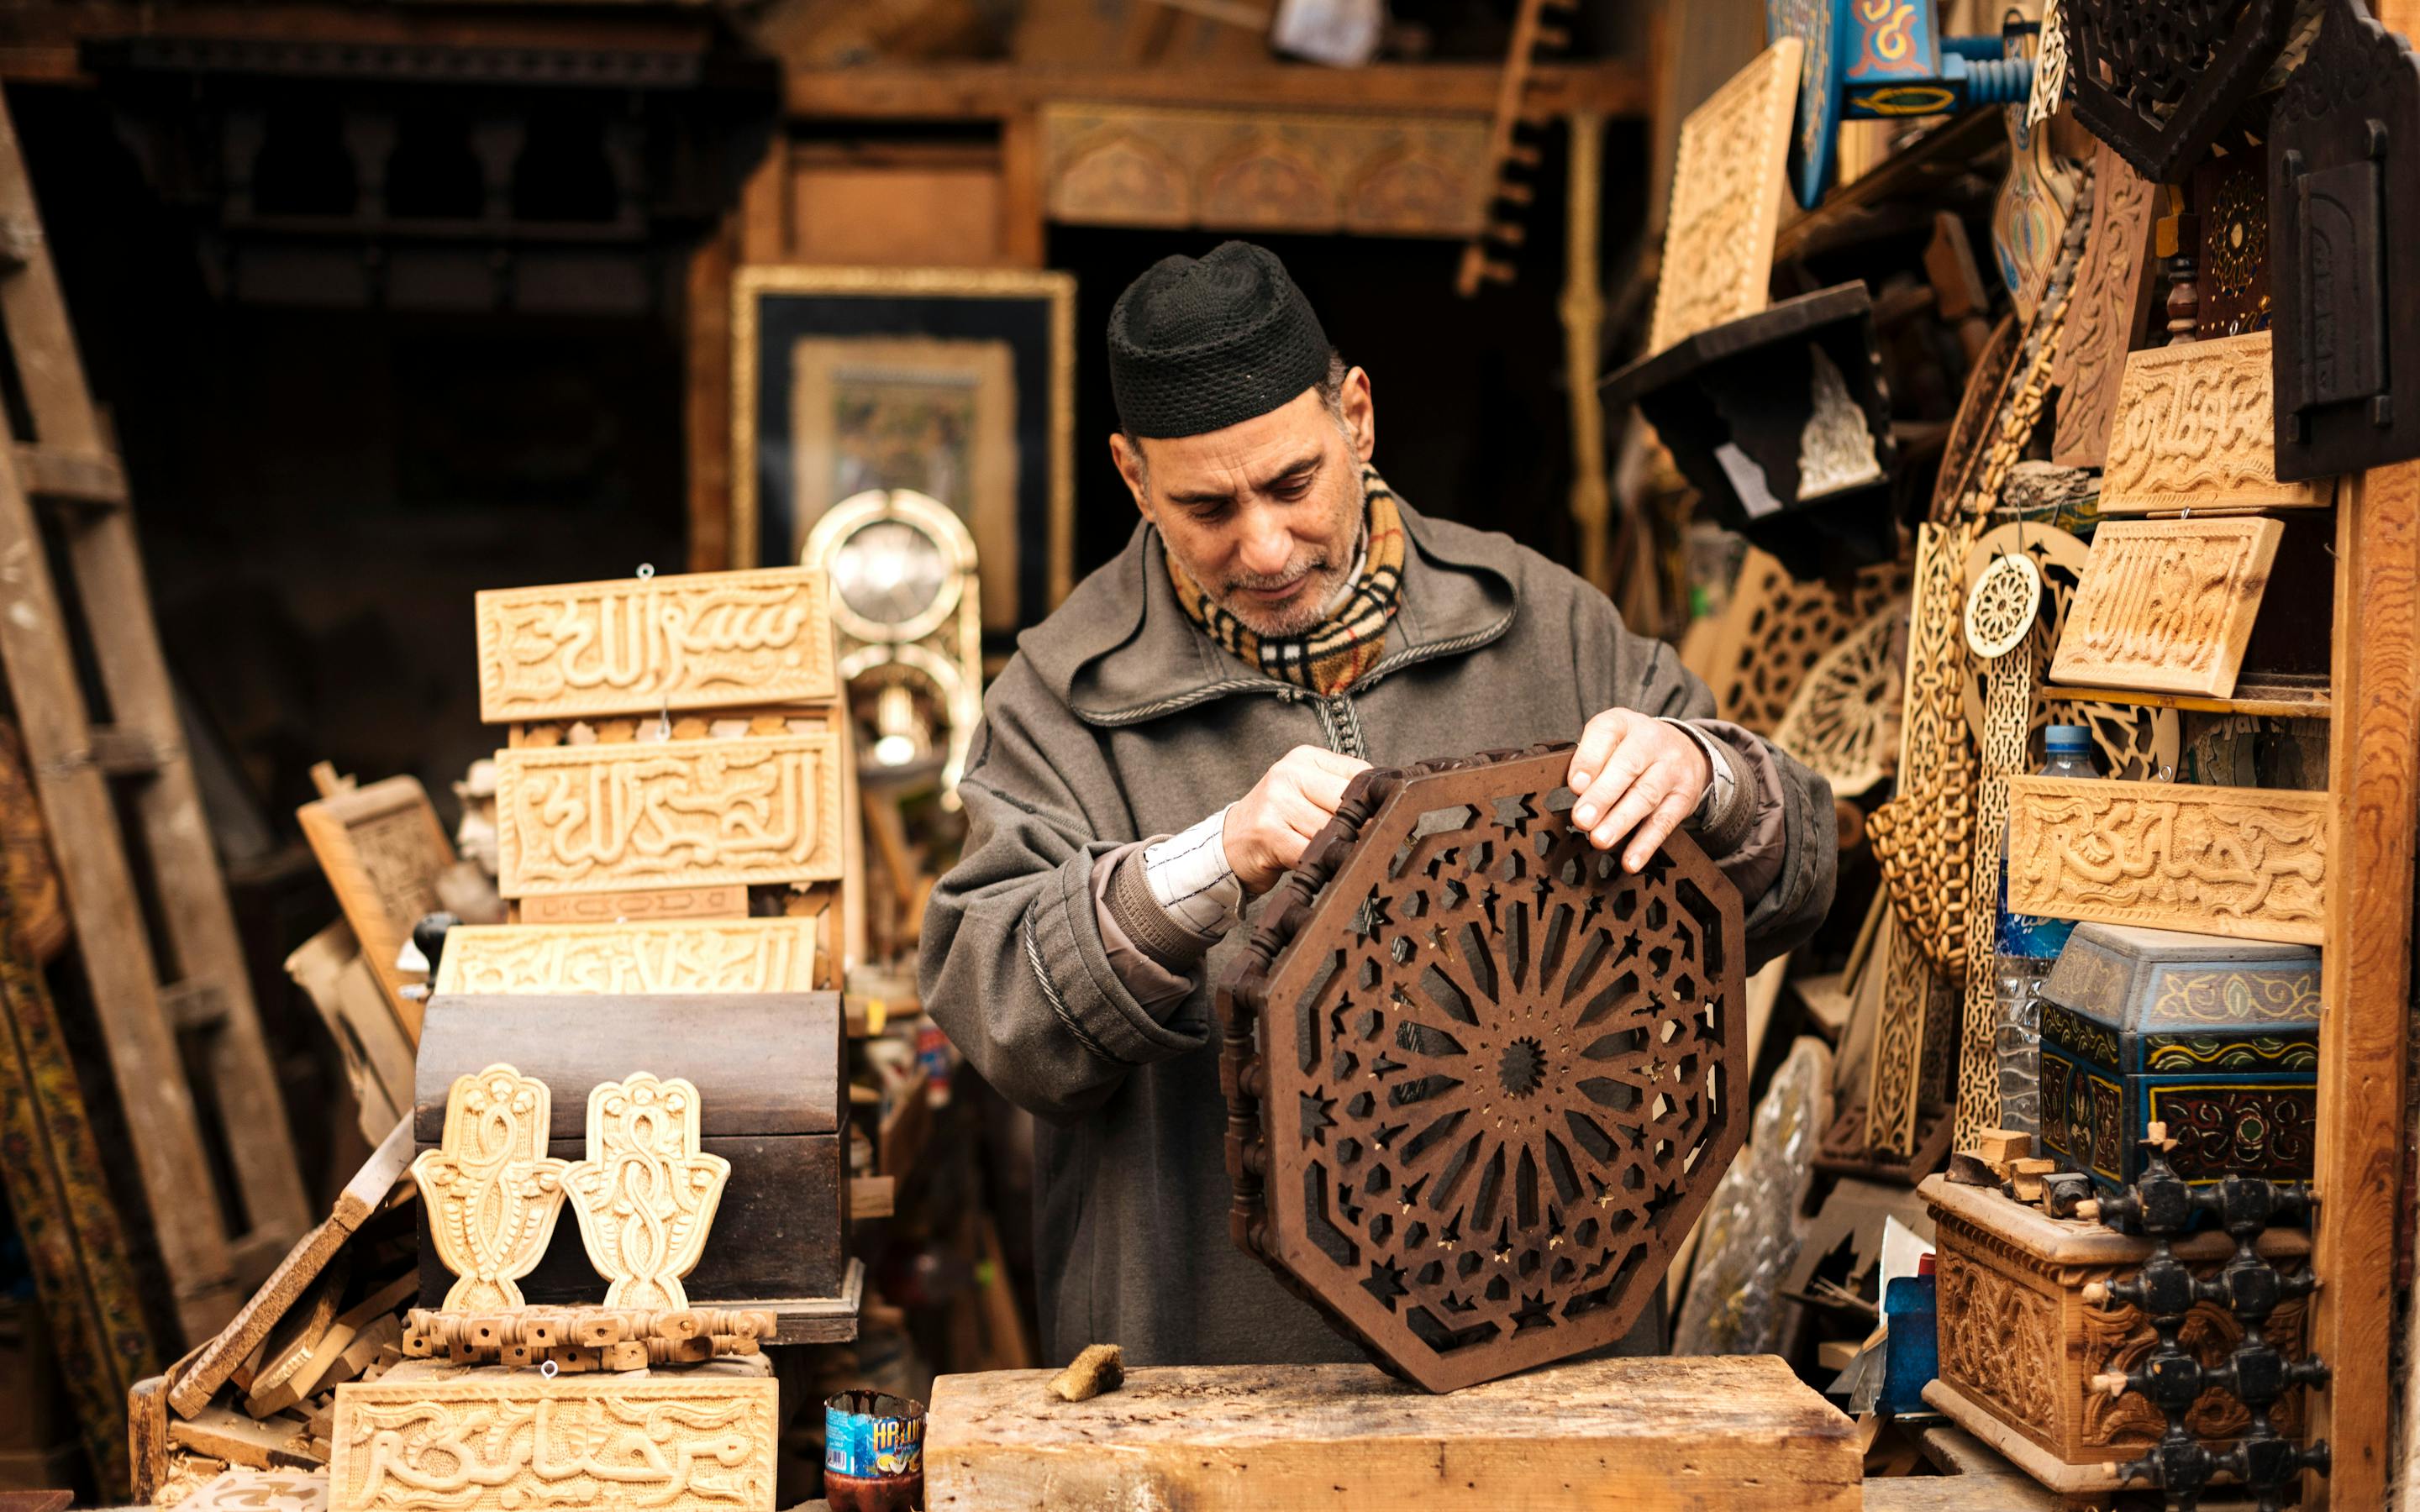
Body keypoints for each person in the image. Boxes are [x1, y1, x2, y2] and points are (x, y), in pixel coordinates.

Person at [921, 240, 1835, 1370]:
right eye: (1206, 507)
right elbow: (1002, 1014)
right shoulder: (1060, 701)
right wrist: (1213, 860)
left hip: (1552, 1364)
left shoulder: (1548, 627)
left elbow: (1799, 886)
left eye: (1292, 485)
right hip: (1213, 1386)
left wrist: (1711, 778)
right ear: (1130, 477)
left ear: (1356, 417)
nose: (1262, 546)